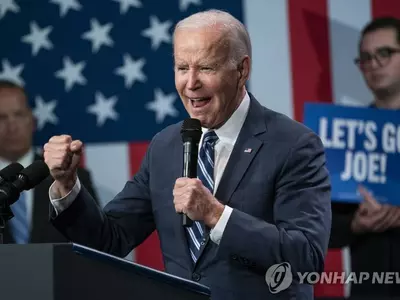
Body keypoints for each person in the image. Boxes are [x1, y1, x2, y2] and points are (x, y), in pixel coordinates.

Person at [43, 10, 331, 300]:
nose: (190, 83)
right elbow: (110, 241)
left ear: (242, 70)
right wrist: (68, 186)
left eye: (206, 68)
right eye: (182, 68)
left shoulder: (293, 144)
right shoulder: (165, 147)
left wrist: (216, 215)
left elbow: (305, 257)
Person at [330, 16, 400, 298]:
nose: (373, 64)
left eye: (384, 53)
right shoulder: (346, 136)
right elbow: (321, 224)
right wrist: (355, 224)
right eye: (366, 58)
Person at [0, 79, 99, 244]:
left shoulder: (71, 177)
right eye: (1, 117)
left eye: (18, 115)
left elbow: (94, 241)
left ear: (32, 121)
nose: (12, 127)